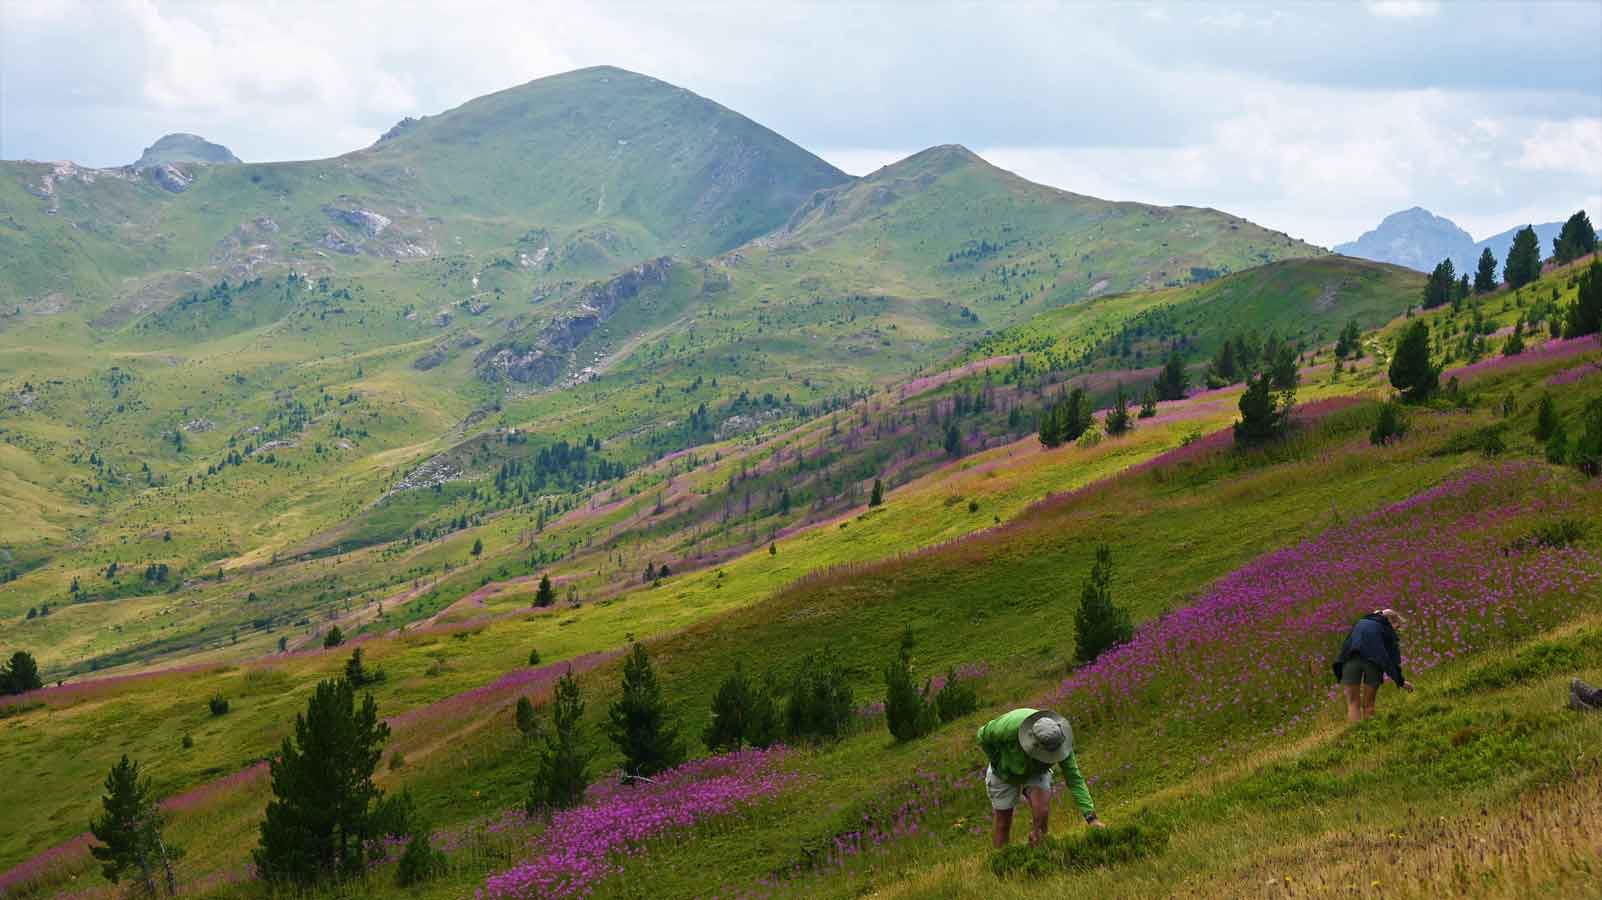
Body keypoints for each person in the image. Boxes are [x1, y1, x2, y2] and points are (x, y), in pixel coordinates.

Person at [975, 707, 1102, 848]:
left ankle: (1038, 854)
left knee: (1041, 812)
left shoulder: (1059, 739)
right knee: (1003, 823)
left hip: (1037, 770)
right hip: (1004, 772)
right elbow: (982, 735)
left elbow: (1074, 778)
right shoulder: (1009, 727)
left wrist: (1091, 818)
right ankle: (1002, 861)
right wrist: (998, 761)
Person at [1332, 608, 1413, 722]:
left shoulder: (1360, 623)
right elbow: (1391, 659)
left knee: (1353, 703)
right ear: (1392, 621)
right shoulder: (1386, 628)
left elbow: (1346, 646)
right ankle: (1371, 734)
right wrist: (1400, 681)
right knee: (1368, 705)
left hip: (1350, 661)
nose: (1396, 631)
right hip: (1373, 664)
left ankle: (1357, 736)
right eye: (1397, 627)